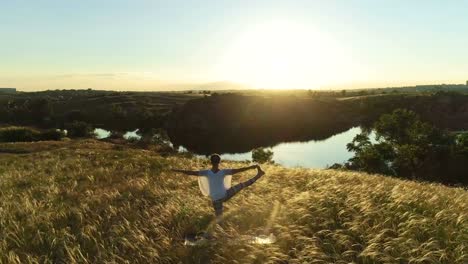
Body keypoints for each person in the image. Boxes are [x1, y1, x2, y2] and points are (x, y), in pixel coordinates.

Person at [172, 154, 265, 217]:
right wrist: (251, 167)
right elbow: (239, 170)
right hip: (225, 195)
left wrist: (177, 170)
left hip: (215, 200)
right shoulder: (224, 172)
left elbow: (190, 172)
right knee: (242, 185)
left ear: (211, 162)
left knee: (219, 218)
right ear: (219, 162)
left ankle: (218, 236)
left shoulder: (206, 172)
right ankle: (258, 175)